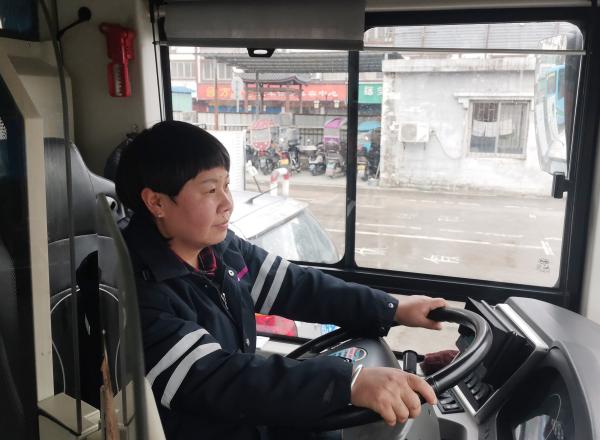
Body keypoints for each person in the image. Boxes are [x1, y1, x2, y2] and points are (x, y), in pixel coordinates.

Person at [115, 121, 447, 440]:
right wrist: (348, 382)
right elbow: (217, 377)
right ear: (157, 202)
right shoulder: (134, 291)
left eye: (226, 186)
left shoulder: (220, 250)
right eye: (211, 190)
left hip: (249, 421)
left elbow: (295, 285)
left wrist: (391, 308)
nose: (227, 203)